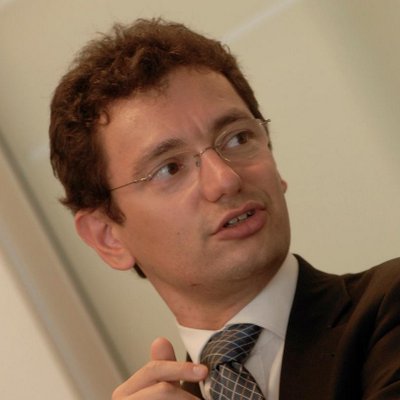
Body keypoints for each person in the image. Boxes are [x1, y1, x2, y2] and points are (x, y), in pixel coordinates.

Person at [49, 18, 400, 400]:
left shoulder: (386, 310)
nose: (225, 180)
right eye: (170, 168)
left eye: (237, 139)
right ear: (108, 237)